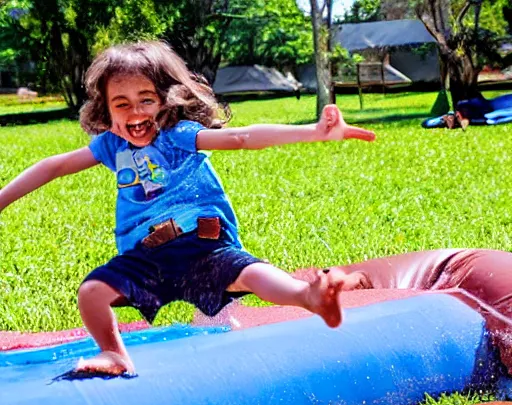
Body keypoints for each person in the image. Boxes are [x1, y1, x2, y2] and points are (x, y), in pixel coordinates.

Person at [0, 41, 375, 376]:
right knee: (92, 292)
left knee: (250, 273)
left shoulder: (178, 137)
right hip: (146, 255)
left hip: (201, 244)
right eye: (121, 103)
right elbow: (54, 166)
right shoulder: (111, 147)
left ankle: (306, 296)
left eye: (146, 99)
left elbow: (242, 138)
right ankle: (114, 354)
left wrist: (314, 131)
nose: (135, 113)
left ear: (167, 100)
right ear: (106, 110)